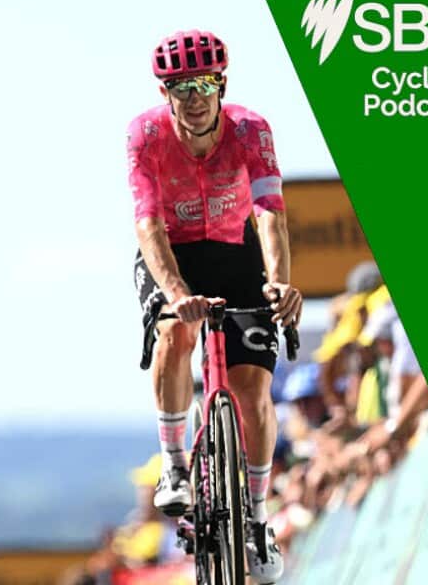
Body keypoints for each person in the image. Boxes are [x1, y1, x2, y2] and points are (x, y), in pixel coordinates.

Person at [128, 30, 303, 584]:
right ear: (165, 93)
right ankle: (175, 463)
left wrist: (279, 282)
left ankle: (257, 518)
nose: (194, 98)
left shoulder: (251, 131)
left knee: (252, 391)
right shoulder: (146, 135)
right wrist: (176, 294)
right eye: (181, 88)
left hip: (234, 251)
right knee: (174, 333)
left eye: (203, 85)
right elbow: (148, 224)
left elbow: (270, 212)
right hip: (172, 254)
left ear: (221, 85)